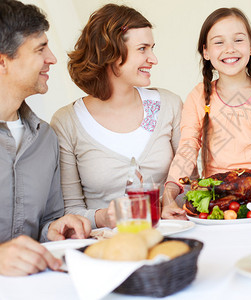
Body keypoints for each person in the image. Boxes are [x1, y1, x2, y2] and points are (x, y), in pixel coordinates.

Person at [0, 0, 91, 294]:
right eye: (40, 49)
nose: (52, 58)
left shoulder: (46, 138)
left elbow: (47, 221)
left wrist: (55, 229)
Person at [50, 4, 184, 229]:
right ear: (109, 52)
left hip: (174, 238)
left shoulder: (169, 105)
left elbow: (191, 185)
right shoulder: (66, 122)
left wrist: (164, 204)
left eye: (152, 48)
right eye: (143, 49)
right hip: (107, 249)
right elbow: (70, 210)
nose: (153, 58)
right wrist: (104, 217)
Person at [161, 7, 251, 219]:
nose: (229, 49)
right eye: (219, 42)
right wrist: (169, 194)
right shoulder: (198, 96)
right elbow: (187, 149)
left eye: (238, 40)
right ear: (206, 52)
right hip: (218, 200)